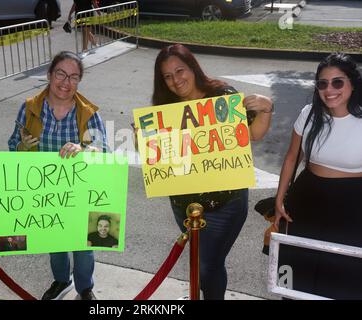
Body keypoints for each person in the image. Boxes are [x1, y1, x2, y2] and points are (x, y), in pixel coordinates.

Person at [150, 44, 273, 300]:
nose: (176, 80)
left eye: (180, 70)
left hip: (225, 203)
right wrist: (150, 142)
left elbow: (255, 134)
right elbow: (167, 158)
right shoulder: (166, 107)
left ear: (193, 68)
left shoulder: (221, 96)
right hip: (183, 204)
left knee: (208, 265)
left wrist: (265, 107)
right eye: (168, 76)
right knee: (199, 262)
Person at [8, 51, 107, 300]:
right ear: (50, 75)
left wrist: (84, 149)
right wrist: (22, 147)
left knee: (83, 248)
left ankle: (85, 287)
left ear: (79, 81)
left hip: (80, 194)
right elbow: (12, 146)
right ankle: (61, 281)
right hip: (47, 196)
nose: (66, 82)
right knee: (54, 243)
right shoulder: (29, 109)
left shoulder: (88, 113)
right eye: (61, 74)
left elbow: (103, 150)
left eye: (74, 77)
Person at [275, 53, 362, 299]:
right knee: (299, 263)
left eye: (338, 82)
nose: (329, 89)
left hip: (353, 203)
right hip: (307, 197)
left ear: (352, 83)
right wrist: (279, 199)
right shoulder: (309, 114)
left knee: (343, 270)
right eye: (322, 83)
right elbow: (292, 157)